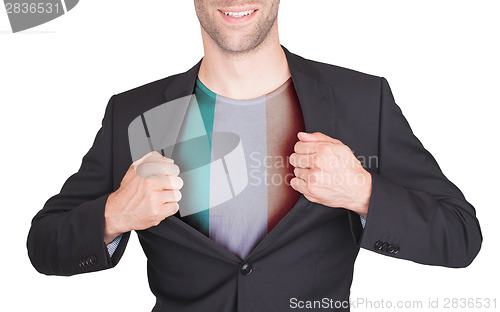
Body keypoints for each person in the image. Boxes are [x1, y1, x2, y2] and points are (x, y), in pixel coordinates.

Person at [27, 1, 482, 311]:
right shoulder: (135, 113)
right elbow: (44, 245)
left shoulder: (362, 101)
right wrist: (114, 214)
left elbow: (460, 236)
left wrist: (363, 192)